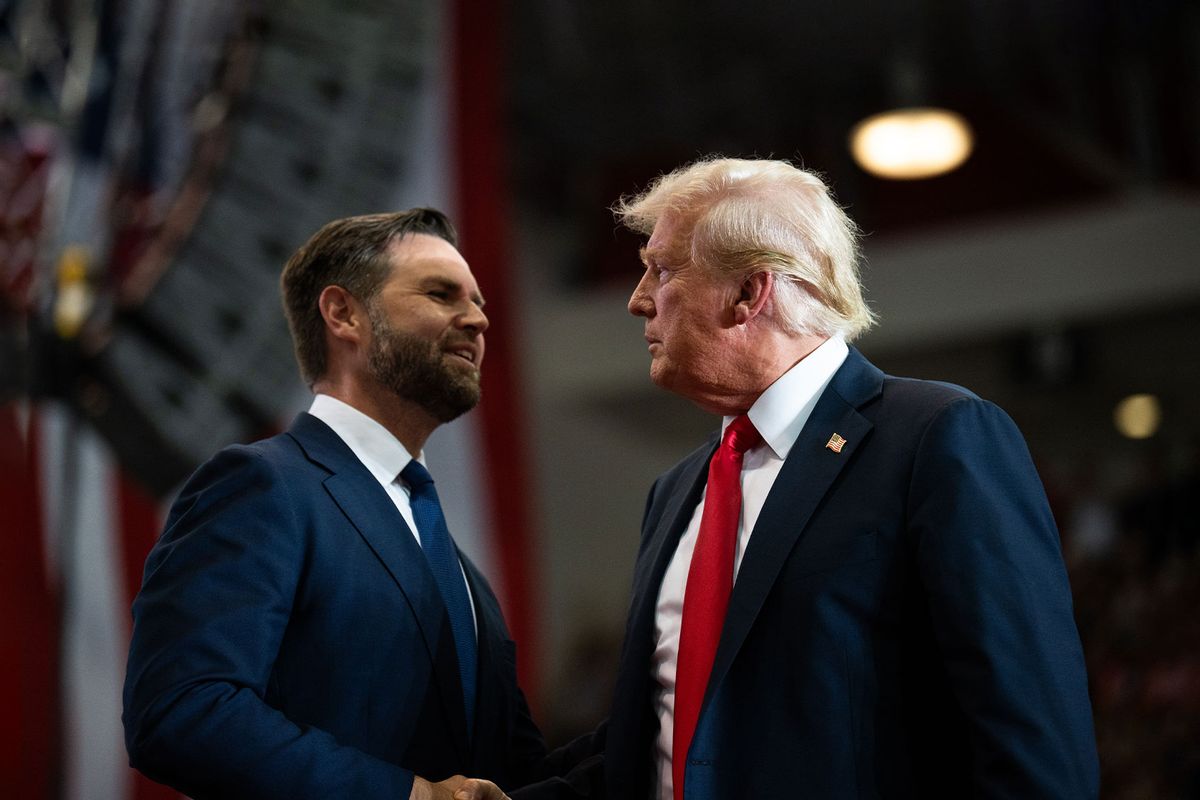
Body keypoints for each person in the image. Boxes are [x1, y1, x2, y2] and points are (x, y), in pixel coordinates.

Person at [507, 158, 1100, 799]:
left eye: (663, 269)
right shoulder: (676, 491)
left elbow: (1033, 748)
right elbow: (662, 745)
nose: (637, 298)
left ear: (748, 293)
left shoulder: (937, 437)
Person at [123, 209, 543, 800]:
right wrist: (409, 795)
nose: (477, 319)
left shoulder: (458, 570)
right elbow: (183, 709)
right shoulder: (262, 487)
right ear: (344, 314)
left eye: (476, 300)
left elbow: (512, 770)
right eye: (440, 293)